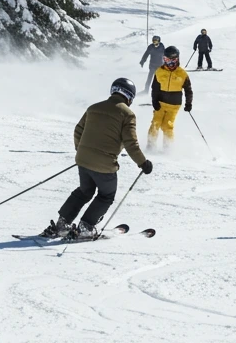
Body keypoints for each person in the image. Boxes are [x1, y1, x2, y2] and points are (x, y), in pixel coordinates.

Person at [39, 78, 153, 239]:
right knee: (106, 195)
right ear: (130, 97)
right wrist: (142, 163)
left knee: (84, 191)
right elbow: (131, 142)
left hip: (83, 160)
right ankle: (86, 227)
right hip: (104, 164)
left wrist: (83, 151)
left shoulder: (93, 108)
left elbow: (78, 131)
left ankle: (62, 224)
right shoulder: (127, 114)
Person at [149, 45, 192, 146]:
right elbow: (155, 88)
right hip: (160, 103)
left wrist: (188, 103)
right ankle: (150, 145)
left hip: (174, 105)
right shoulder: (159, 71)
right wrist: (154, 101)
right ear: (164, 59)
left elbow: (188, 90)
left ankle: (168, 148)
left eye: (173, 60)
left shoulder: (182, 73)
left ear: (178, 59)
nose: (171, 63)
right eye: (167, 60)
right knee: (155, 123)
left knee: (167, 126)